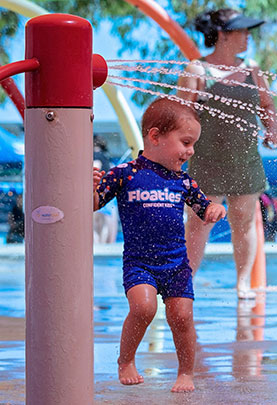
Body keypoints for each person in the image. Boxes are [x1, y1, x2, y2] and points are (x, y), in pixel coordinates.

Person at [93, 98, 227, 392]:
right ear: (155, 137)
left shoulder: (184, 181)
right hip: (140, 263)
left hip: (177, 264)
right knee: (143, 308)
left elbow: (203, 209)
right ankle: (125, 360)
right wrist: (88, 188)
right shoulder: (124, 174)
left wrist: (214, 211)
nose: (190, 151)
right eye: (186, 142)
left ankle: (186, 372)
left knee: (182, 316)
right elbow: (91, 204)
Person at [178, 9, 277, 299]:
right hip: (206, 159)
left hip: (244, 159)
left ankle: (242, 284)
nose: (248, 36)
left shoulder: (252, 69)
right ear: (222, 35)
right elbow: (182, 114)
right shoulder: (197, 71)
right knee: (199, 223)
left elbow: (267, 105)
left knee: (244, 221)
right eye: (242, 31)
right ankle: (185, 282)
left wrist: (271, 130)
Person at [93, 134, 119, 244]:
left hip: (94, 198)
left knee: (94, 233)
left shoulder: (91, 156)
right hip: (108, 202)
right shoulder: (108, 160)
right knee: (107, 239)